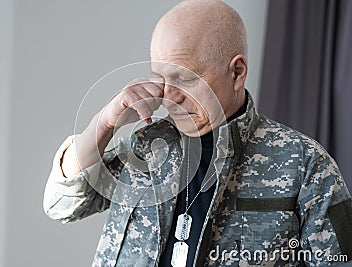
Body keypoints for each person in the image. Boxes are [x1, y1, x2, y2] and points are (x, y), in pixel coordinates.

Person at [43, 0, 352, 266]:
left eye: (185, 79)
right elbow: (62, 204)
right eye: (161, 79)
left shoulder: (305, 163)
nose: (169, 97)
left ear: (237, 72)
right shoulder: (148, 146)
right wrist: (105, 123)